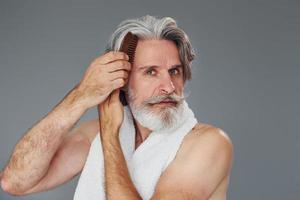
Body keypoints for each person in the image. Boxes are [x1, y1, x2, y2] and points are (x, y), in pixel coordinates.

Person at [0, 15, 233, 199]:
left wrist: (110, 137)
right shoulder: (100, 133)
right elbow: (16, 181)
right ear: (121, 80)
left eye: (174, 71)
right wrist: (81, 96)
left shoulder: (208, 143)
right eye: (151, 72)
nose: (168, 86)